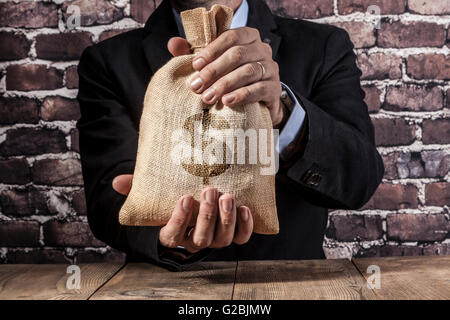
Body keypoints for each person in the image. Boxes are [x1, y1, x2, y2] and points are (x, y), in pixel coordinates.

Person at [77, 0, 384, 271]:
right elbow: (108, 201)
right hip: (166, 289)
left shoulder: (322, 46)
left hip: (291, 285)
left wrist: (283, 113)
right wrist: (173, 241)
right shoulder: (108, 61)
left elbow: (360, 179)